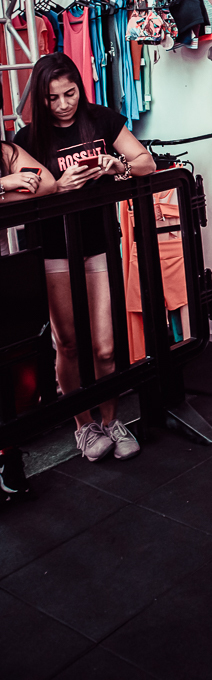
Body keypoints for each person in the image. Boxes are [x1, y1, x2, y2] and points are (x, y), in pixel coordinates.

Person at [14, 53, 156, 461]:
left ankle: (112, 419)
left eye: (70, 93)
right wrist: (57, 187)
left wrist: (117, 167)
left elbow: (145, 163)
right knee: (69, 343)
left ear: (80, 86)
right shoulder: (28, 139)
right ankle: (84, 425)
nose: (63, 104)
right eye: (53, 97)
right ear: (40, 99)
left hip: (97, 242)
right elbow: (24, 191)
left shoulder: (101, 119)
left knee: (106, 347)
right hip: (54, 250)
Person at [0, 135, 56, 502]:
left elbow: (48, 183)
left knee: (9, 371)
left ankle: (9, 461)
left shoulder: (4, 151)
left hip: (4, 272)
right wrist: (4, 184)